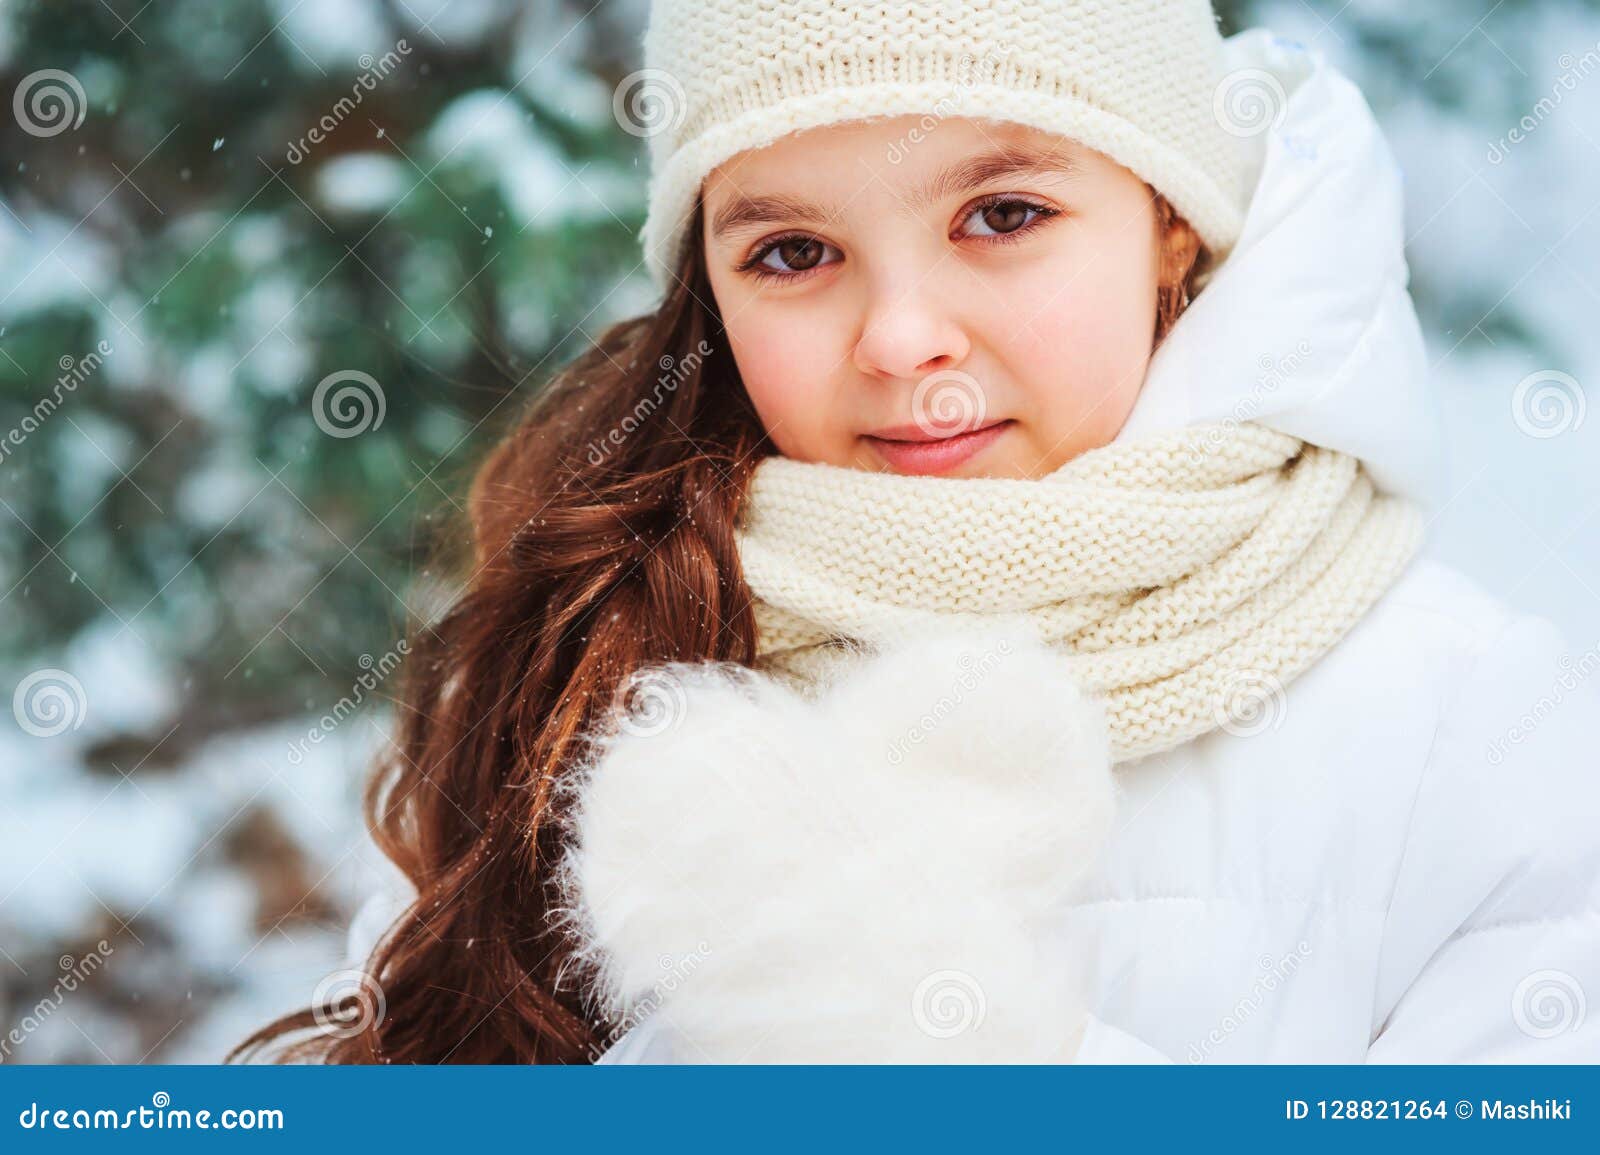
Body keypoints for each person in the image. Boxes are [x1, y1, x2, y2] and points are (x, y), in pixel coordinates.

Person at [234, 1, 1600, 1065]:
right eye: (792, 253)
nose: (900, 338)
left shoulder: (1483, 734)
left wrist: (956, 1048)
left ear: (1170, 226)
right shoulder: (590, 640)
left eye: (1003, 216)